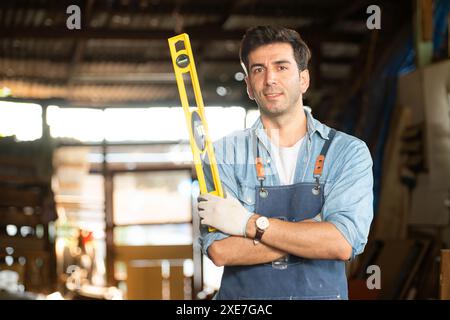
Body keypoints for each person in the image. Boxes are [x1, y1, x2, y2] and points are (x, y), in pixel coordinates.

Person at [197, 26, 373, 300]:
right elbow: (221, 251)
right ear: (249, 87)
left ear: (303, 79)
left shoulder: (347, 152)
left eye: (281, 67)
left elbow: (341, 243)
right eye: (258, 70)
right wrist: (312, 235)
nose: (270, 79)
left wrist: (248, 224)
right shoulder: (223, 155)